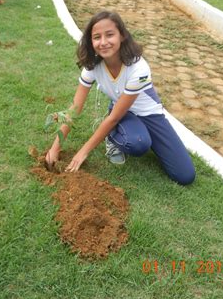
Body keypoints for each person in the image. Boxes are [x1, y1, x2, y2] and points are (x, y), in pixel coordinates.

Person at [45, 11, 196, 186]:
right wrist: (55, 147)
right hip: (123, 113)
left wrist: (83, 152)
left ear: (122, 35)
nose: (103, 42)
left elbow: (114, 118)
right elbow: (74, 109)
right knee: (138, 143)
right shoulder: (92, 66)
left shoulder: (138, 68)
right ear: (90, 41)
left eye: (110, 35)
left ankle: (134, 135)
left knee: (185, 176)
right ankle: (118, 139)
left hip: (149, 115)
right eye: (96, 37)